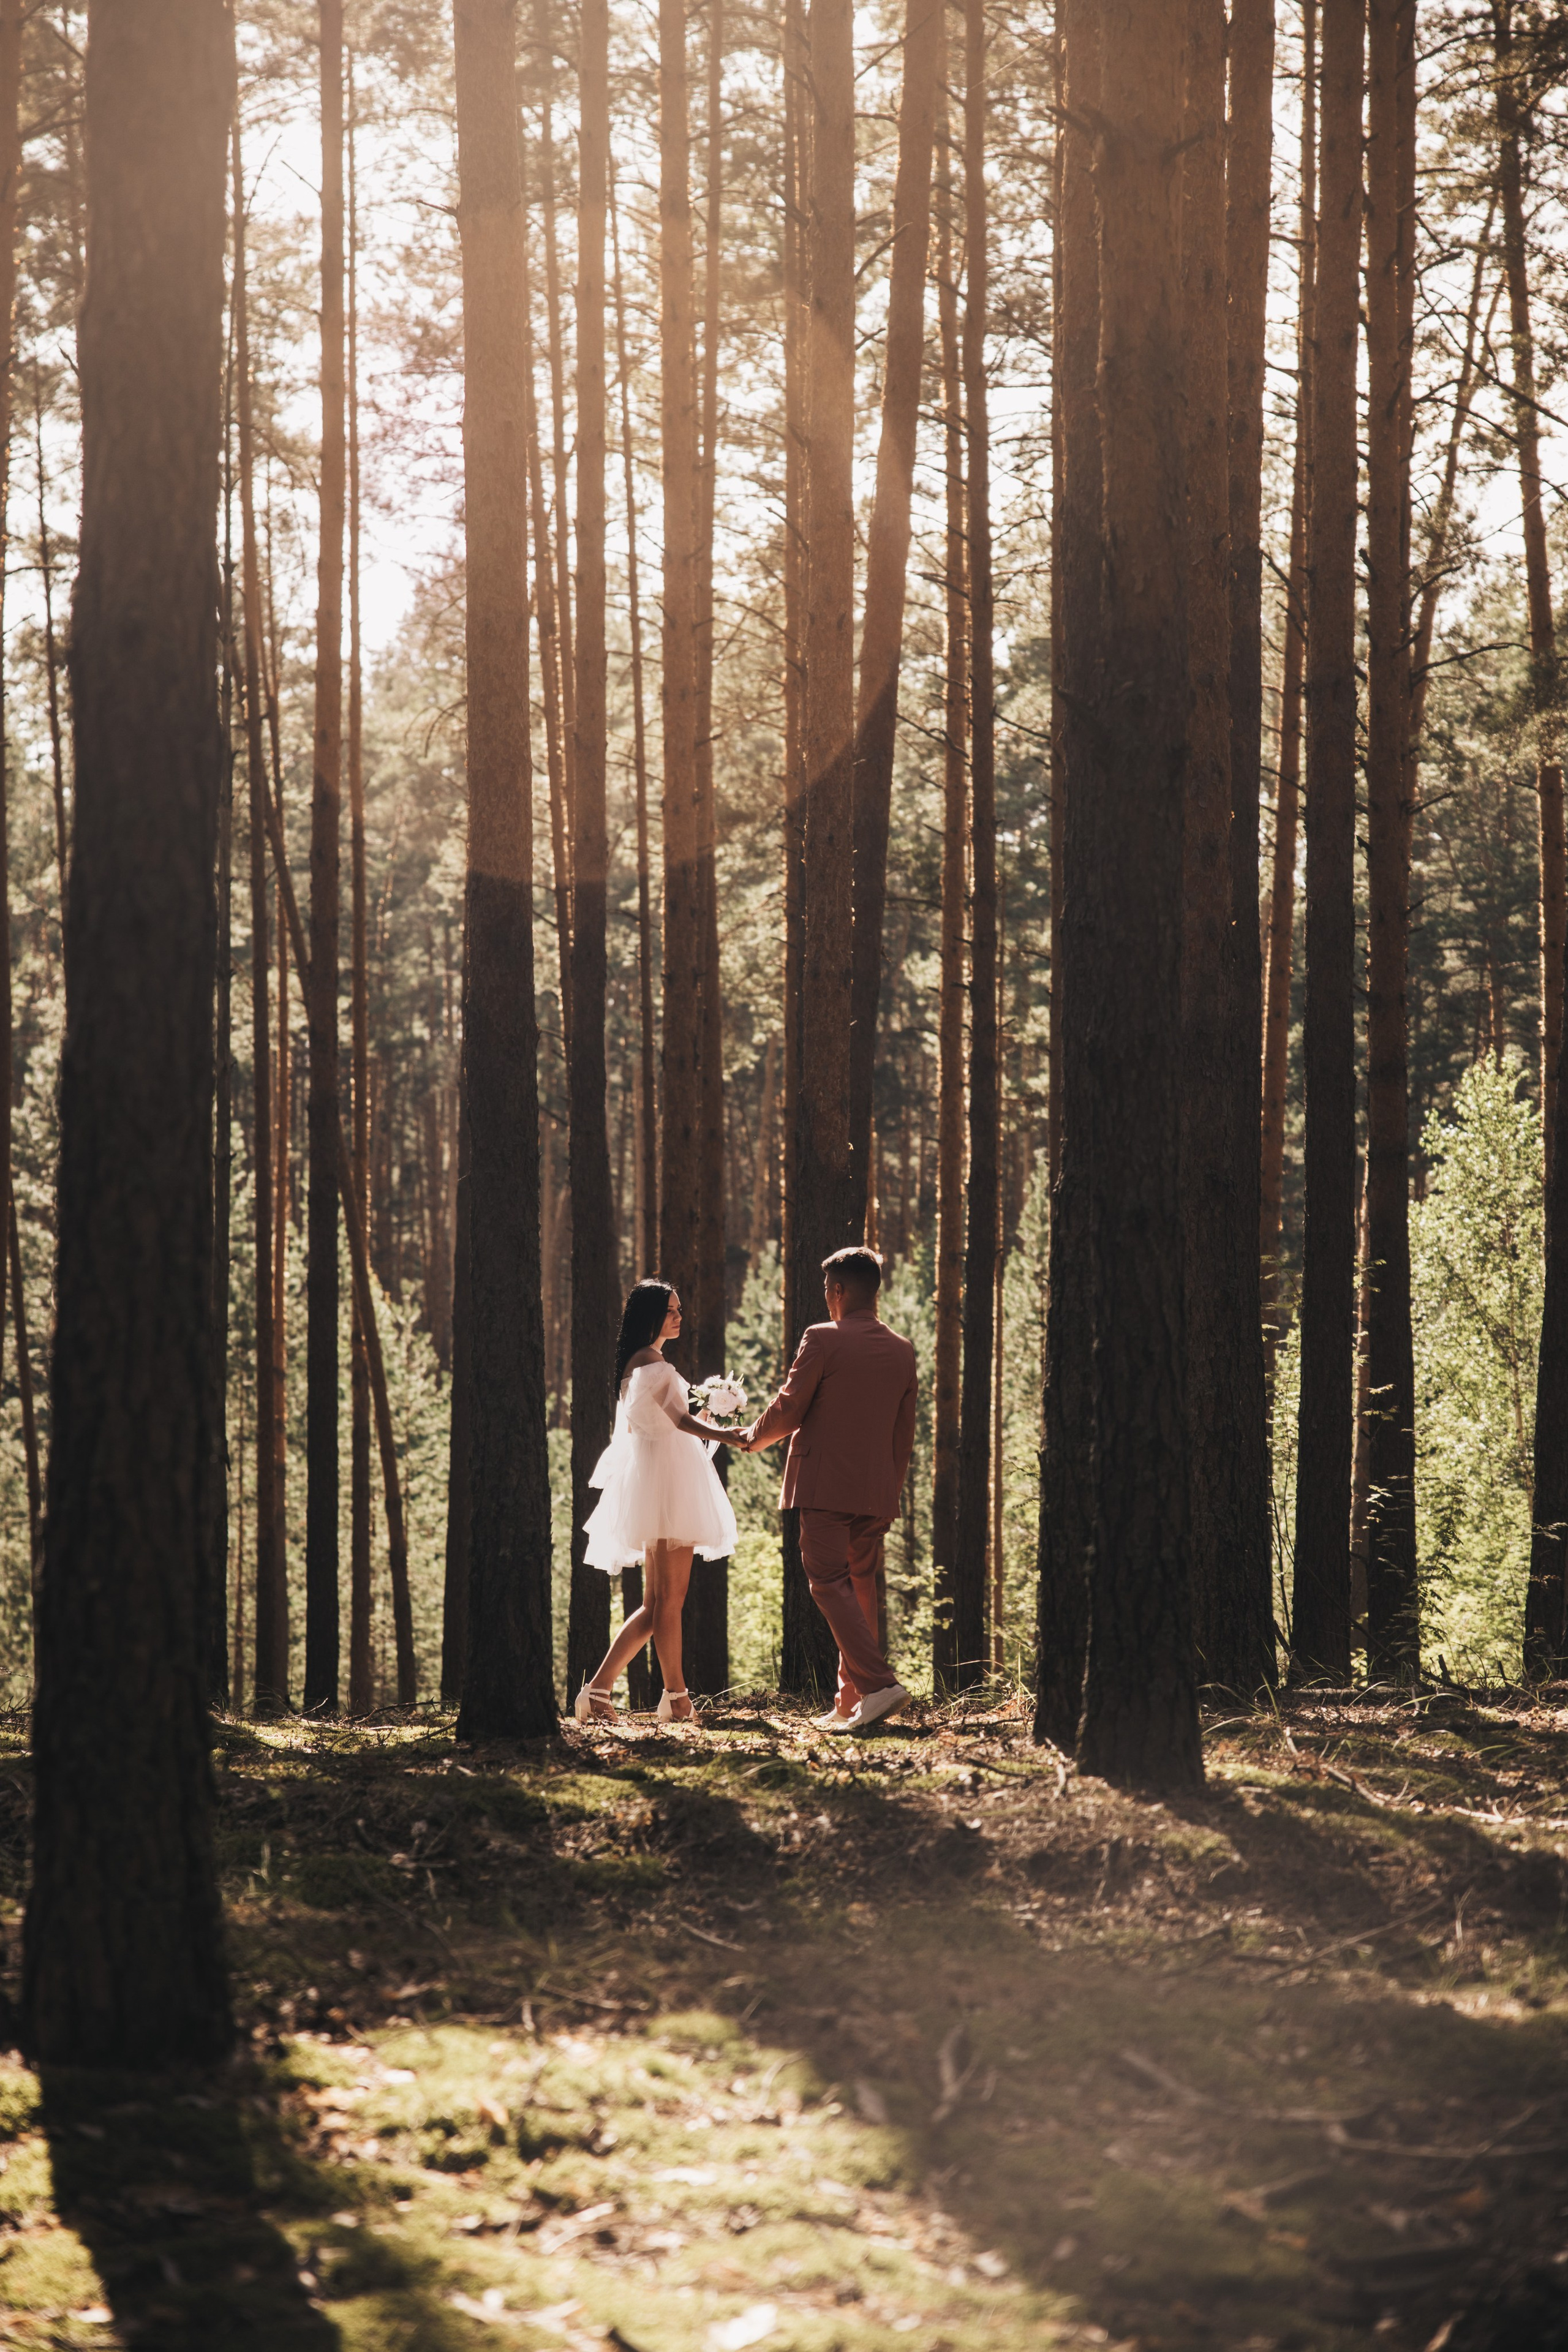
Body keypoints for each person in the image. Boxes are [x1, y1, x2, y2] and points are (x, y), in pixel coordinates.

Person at [736, 1245, 915, 1732]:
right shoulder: (903, 1350)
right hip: (876, 1490)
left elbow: (790, 1408)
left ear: (838, 1290)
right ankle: (851, 1701)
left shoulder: (821, 1338)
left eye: (826, 1290)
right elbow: (904, 1433)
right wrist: (890, 1491)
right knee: (859, 1587)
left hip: (823, 1487)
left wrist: (753, 1438)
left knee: (828, 1581)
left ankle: (878, 1686)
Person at [575, 1277, 738, 1724]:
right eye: (671, 1310)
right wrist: (730, 1435)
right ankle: (677, 1698)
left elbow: (665, 1421)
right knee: (669, 1601)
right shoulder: (655, 1365)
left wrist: (712, 1411)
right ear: (650, 1315)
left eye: (679, 1309)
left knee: (655, 1605)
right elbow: (680, 1422)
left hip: (656, 1481)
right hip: (670, 1484)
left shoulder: (638, 1364)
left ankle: (598, 1691)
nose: (679, 1316)